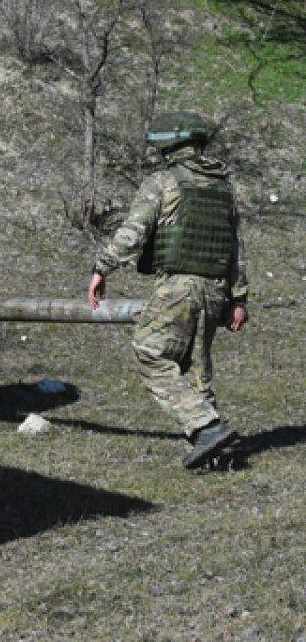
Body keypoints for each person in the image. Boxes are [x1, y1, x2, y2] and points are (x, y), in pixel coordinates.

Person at [88, 111, 249, 469]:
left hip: (178, 286)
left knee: (150, 352)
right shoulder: (223, 187)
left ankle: (205, 426)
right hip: (215, 288)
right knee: (196, 370)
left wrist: (102, 267)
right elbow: (235, 248)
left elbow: (134, 230)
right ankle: (217, 455)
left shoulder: (164, 181)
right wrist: (238, 298)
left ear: (168, 145)